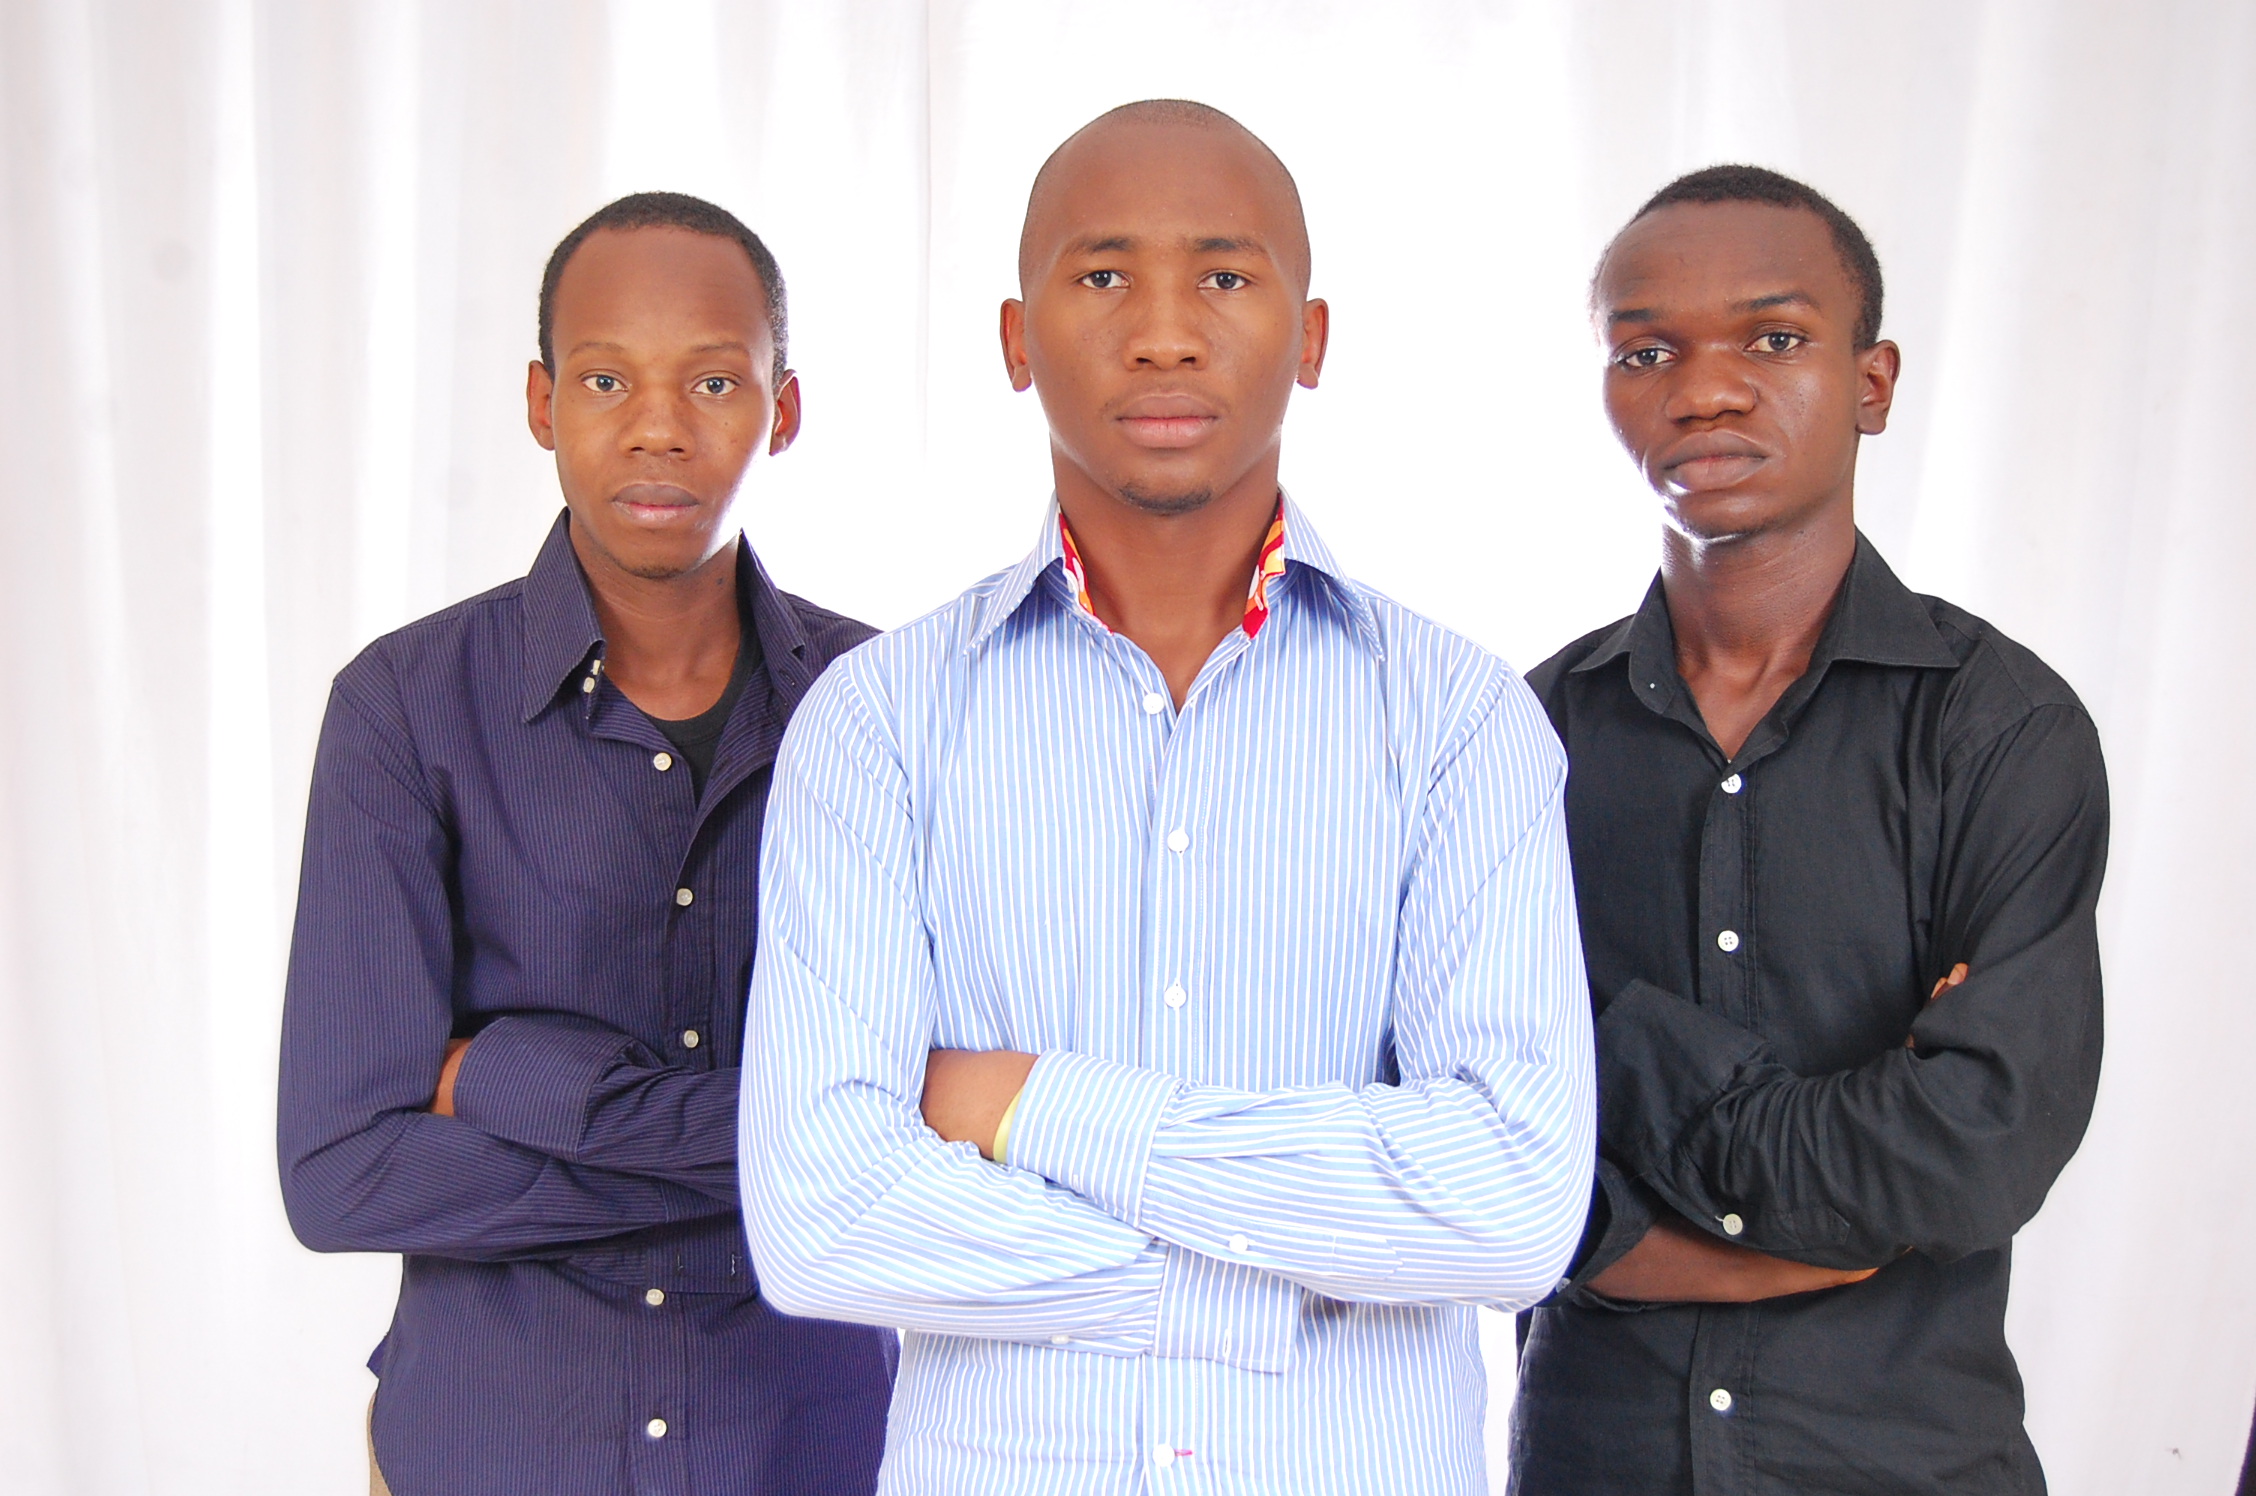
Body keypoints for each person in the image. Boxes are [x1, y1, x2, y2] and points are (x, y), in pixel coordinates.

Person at [737, 99, 1594, 1496]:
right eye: (1102, 274)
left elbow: (1510, 1204)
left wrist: (1030, 1105)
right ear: (1016, 340)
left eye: (1225, 274)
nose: (1164, 332)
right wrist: (1261, 1279)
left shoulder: (1461, 722)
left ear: (1311, 336)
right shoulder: (878, 725)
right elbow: (823, 1216)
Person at [277, 192, 895, 1496]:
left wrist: (518, 1080)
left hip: (807, 1450)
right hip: (489, 1450)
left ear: (783, 409)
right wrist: (783, 1161)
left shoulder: (890, 711)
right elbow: (342, 1175)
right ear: (542, 403)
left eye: (713, 380)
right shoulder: (404, 708)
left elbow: (922, 1137)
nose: (658, 425)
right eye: (608, 379)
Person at [1510, 164, 2108, 1494]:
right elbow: (1466, 1148)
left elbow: (1973, 1150)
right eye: (1647, 351)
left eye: (1774, 340)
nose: (1705, 391)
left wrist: (1613, 1052)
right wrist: (1808, 1177)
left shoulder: (1999, 729)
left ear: (1873, 383)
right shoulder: (1517, 739)